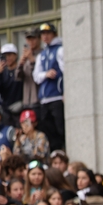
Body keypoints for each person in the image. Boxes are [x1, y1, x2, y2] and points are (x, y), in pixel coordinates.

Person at [33, 22, 66, 151]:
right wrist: (46, 74)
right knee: (48, 129)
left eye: (48, 33)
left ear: (54, 34)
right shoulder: (41, 54)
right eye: (43, 34)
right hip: (45, 99)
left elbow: (66, 71)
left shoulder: (60, 50)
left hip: (57, 96)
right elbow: (36, 76)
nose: (45, 37)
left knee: (60, 128)